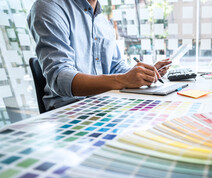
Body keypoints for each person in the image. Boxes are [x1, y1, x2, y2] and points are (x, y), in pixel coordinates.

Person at [28, 0, 171, 110]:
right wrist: (123, 80)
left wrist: (144, 73)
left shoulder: (103, 22)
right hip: (69, 110)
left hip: (105, 103)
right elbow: (60, 78)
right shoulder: (49, 7)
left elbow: (115, 68)